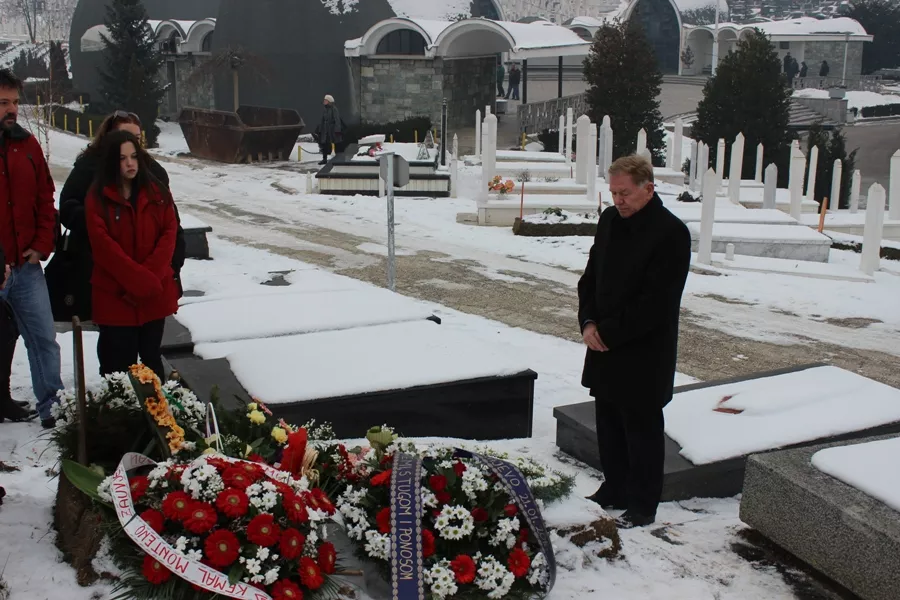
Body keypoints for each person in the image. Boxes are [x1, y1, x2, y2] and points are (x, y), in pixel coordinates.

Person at [577, 155, 691, 529]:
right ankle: (615, 488)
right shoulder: (609, 220)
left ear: (648, 188)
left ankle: (643, 504)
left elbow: (657, 301)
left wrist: (607, 333)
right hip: (602, 345)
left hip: (643, 351)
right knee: (608, 423)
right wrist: (588, 322)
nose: (618, 200)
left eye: (624, 193)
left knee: (641, 430)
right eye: (613, 193)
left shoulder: (671, 233)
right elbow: (590, 278)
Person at [58, 110, 186, 321]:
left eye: (136, 138)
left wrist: (172, 264)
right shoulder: (89, 168)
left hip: (152, 273)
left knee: (150, 335)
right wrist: (102, 223)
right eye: (125, 136)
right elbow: (68, 207)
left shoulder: (153, 172)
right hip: (105, 271)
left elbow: (171, 224)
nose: (131, 143)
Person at [85, 130, 179, 378]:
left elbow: (168, 235)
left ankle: (156, 405)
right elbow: (104, 248)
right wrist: (138, 281)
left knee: (152, 363)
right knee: (117, 368)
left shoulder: (158, 193)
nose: (130, 163)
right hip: (116, 297)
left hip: (153, 294)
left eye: (134, 156)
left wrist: (148, 279)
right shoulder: (97, 197)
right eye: (122, 158)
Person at [0, 69, 63, 429]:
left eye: (14, 102)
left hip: (26, 266)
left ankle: (53, 407)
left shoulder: (27, 145)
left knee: (43, 339)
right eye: (3, 103)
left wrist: (41, 244)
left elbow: (45, 196)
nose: (12, 109)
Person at [314, 95, 342, 166]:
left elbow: (337, 120)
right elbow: (322, 120)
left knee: (336, 144)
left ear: (329, 101)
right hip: (325, 129)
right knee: (324, 144)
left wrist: (337, 130)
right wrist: (320, 129)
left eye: (325, 100)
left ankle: (338, 159)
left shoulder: (334, 109)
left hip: (332, 129)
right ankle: (324, 159)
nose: (324, 101)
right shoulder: (325, 109)